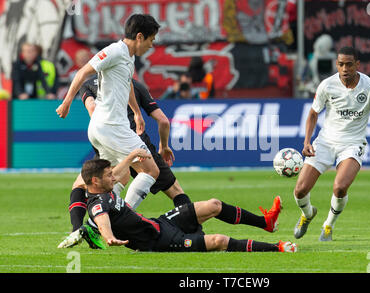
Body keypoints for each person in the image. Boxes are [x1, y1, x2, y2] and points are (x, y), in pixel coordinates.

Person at [57, 76, 193, 249]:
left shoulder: (89, 84)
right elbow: (163, 121)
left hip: (106, 137)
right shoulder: (134, 85)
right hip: (134, 141)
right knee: (173, 189)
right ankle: (191, 230)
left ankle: (77, 229)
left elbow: (92, 108)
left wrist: (102, 132)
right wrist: (164, 146)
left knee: (83, 184)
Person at [81, 149, 297, 253]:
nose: (114, 177)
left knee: (214, 204)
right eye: (109, 175)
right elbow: (102, 221)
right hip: (158, 241)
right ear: (95, 181)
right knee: (219, 241)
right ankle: (277, 248)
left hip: (161, 223)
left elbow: (117, 173)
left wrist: (129, 159)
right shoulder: (98, 204)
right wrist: (109, 238)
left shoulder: (104, 186)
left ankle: (265, 223)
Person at [56, 14, 163, 214]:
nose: (151, 45)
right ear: (140, 36)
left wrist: (137, 113)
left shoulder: (129, 57)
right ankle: (123, 217)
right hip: (111, 126)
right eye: (151, 40)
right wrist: (67, 101)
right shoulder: (114, 51)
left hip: (105, 127)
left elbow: (127, 84)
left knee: (116, 178)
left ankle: (98, 221)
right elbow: (83, 72)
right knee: (151, 170)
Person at [292, 46, 370, 242]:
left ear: (357, 64)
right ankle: (307, 214)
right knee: (300, 190)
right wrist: (307, 141)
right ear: (336, 65)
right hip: (325, 142)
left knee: (340, 187)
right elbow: (313, 114)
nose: (344, 68)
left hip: (353, 144)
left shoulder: (369, 86)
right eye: (340, 64)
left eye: (349, 64)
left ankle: (328, 225)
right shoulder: (327, 85)